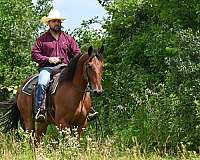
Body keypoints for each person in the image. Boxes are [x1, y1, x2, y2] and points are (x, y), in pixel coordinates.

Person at [32, 9, 98, 121]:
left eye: (58, 21)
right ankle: (40, 110)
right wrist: (48, 59)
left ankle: (89, 108)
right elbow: (34, 54)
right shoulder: (42, 40)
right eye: (53, 21)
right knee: (42, 83)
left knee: (83, 81)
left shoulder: (68, 39)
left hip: (65, 68)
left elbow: (77, 53)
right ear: (48, 23)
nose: (56, 23)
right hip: (48, 68)